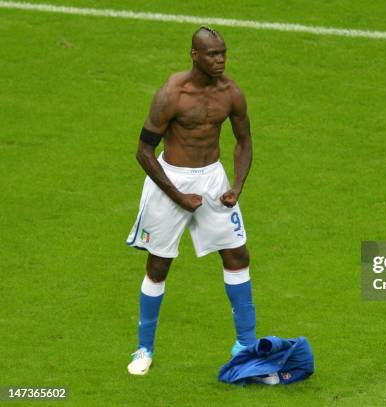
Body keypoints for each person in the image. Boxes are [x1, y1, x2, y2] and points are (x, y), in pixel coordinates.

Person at [125, 26, 256, 375]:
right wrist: (178, 195)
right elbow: (144, 151)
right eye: (213, 54)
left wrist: (237, 186)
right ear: (194, 55)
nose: (221, 60)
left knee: (237, 254)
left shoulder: (232, 93)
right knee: (158, 265)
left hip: (212, 178)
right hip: (171, 180)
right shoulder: (172, 94)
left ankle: (246, 344)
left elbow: (244, 141)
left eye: (224, 53)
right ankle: (143, 349)